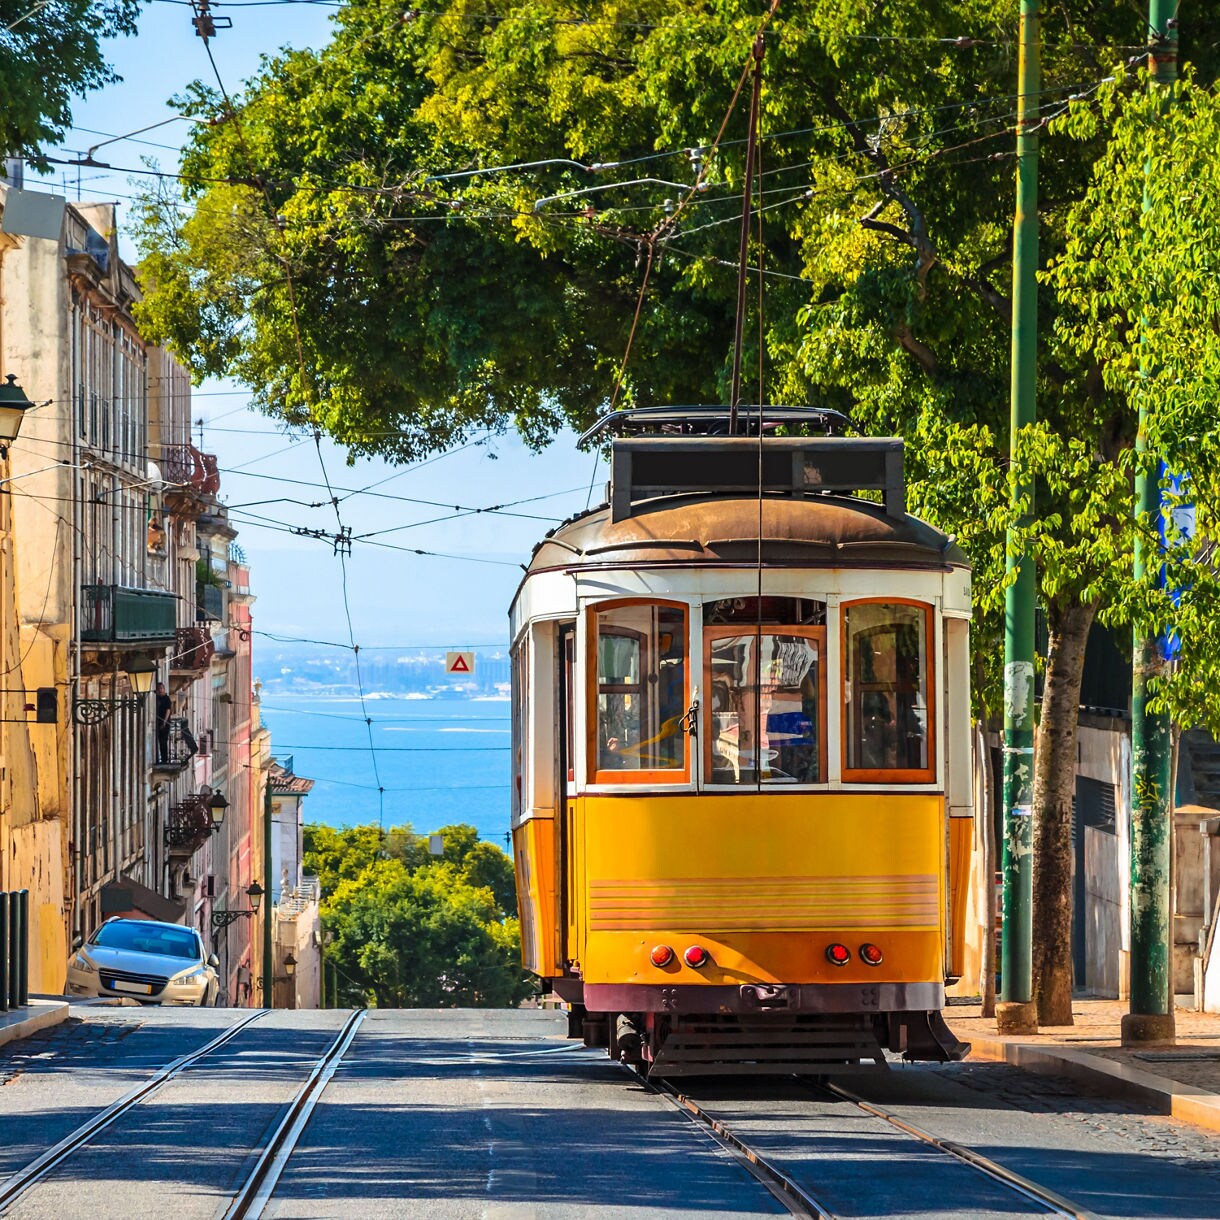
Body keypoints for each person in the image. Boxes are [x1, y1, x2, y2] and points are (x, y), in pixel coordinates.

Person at [155, 681, 172, 764]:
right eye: (159, 689)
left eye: (162, 688)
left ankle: (164, 760)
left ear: (164, 689)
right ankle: (160, 758)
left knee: (163, 741)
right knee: (159, 741)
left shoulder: (166, 698)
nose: (161, 690)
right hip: (158, 723)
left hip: (165, 724)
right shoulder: (157, 698)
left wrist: (164, 722)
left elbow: (168, 711)